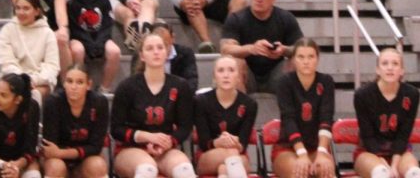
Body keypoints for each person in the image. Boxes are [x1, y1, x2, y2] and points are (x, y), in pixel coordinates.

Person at [110, 31, 195, 178]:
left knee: (185, 170)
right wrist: (146, 136)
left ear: (167, 52)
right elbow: (116, 129)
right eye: (150, 48)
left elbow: (184, 127)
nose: (156, 52)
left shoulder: (180, 86)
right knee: (147, 170)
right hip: (131, 149)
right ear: (142, 56)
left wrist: (168, 142)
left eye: (160, 48)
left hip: (165, 149)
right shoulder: (127, 87)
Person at [220, 0, 303, 92]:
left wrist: (283, 50)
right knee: (235, 62)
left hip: (276, 74)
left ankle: (291, 108)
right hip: (248, 74)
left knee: (298, 61)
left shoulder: (286, 18)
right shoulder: (236, 18)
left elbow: (303, 48)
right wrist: (251, 49)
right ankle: (240, 107)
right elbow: (226, 49)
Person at [354, 48, 420, 178]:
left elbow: (404, 134)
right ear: (378, 69)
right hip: (369, 152)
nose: (390, 68)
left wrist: (395, 164)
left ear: (402, 70)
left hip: (400, 152)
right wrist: (384, 163)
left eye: (395, 64)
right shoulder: (363, 95)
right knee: (381, 173)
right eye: (385, 63)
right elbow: (367, 136)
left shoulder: (412, 94)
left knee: (415, 173)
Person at [273, 39, 336, 178]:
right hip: (288, 148)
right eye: (301, 57)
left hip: (316, 147)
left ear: (317, 59)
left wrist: (321, 152)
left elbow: (326, 119)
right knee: (299, 172)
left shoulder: (326, 82)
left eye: (311, 57)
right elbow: (288, 120)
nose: (306, 61)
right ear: (294, 60)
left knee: (328, 172)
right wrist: (301, 153)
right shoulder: (284, 82)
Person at [39, 64, 109, 178]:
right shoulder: (53, 102)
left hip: (84, 158)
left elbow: (96, 147)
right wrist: (59, 154)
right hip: (58, 160)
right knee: (55, 167)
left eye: (79, 82)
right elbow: (50, 147)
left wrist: (61, 152)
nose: (73, 87)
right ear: (64, 84)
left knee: (98, 165)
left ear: (88, 85)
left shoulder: (99, 103)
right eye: (69, 81)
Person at [193, 55, 257, 178]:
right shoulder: (201, 101)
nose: (226, 75)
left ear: (238, 77)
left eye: (231, 70)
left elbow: (243, 144)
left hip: (238, 153)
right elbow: (203, 143)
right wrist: (218, 142)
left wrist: (235, 142)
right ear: (214, 76)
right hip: (208, 154)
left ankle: (223, 173)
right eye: (221, 70)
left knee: (225, 168)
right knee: (233, 156)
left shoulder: (249, 104)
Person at [66, 0, 120, 94]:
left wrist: (99, 42)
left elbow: (107, 25)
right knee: (77, 50)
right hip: (80, 38)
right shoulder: (72, 4)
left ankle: (105, 87)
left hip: (101, 37)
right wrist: (90, 44)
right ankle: (81, 84)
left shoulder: (104, 1)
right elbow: (75, 29)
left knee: (114, 51)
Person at [0, 73, 40, 178]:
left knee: (34, 170)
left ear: (18, 100)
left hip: (22, 160)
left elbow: (30, 150)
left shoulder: (32, 108)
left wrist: (16, 165)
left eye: (3, 95)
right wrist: (2, 164)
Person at [0, 0, 59, 95]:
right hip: (12, 80)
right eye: (18, 8)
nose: (21, 12)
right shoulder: (7, 30)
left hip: (39, 83)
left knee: (34, 95)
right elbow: (6, 63)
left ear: (37, 11)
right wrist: (23, 80)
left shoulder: (48, 33)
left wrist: (33, 80)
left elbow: (52, 67)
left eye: (26, 8)